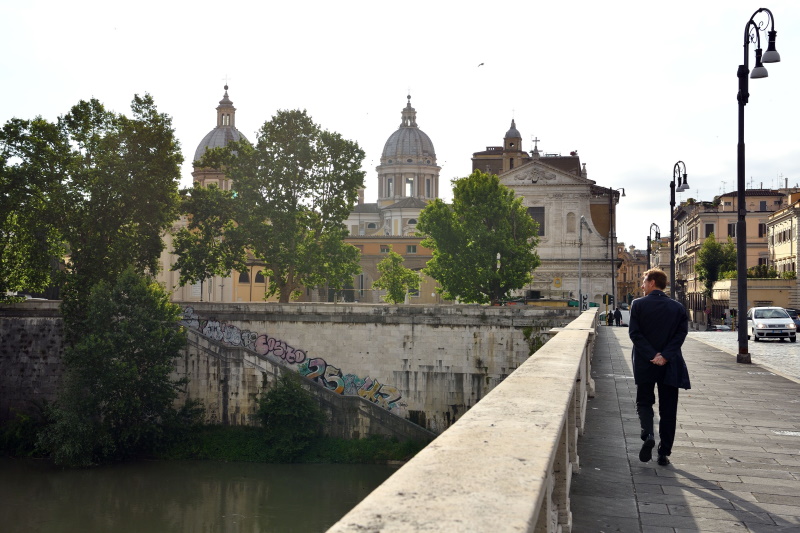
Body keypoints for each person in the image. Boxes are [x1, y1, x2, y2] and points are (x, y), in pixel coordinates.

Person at [628, 268, 690, 466]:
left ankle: (648, 435)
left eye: (644, 281)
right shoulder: (678, 308)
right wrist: (664, 356)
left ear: (653, 282)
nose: (642, 285)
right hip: (670, 364)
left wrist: (652, 355)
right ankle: (664, 452)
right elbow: (680, 336)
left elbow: (635, 334)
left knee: (644, 402)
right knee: (668, 409)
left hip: (646, 364)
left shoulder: (638, 304)